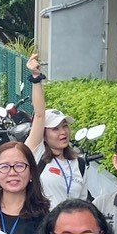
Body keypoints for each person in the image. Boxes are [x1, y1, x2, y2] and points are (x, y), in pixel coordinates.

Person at [23, 55, 90, 205]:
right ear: (43, 134)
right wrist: (36, 79)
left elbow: (82, 203)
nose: (63, 132)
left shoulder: (79, 164)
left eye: (65, 126)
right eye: (55, 128)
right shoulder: (36, 153)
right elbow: (39, 115)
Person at [0, 139, 49, 234]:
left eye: (19, 166)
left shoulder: (44, 219)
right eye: (4, 167)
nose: (12, 172)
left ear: (31, 172)